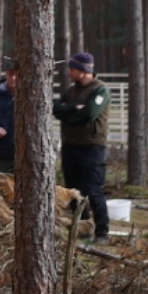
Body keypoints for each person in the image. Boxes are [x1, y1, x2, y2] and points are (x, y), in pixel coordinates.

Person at [53, 51, 110, 242]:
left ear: (82, 71)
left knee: (93, 190)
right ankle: (83, 227)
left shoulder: (100, 90)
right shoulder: (70, 91)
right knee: (73, 191)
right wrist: (72, 109)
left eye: (72, 69)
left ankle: (102, 231)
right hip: (71, 146)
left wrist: (72, 114)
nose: (69, 73)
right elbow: (56, 109)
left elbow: (89, 114)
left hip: (92, 147)